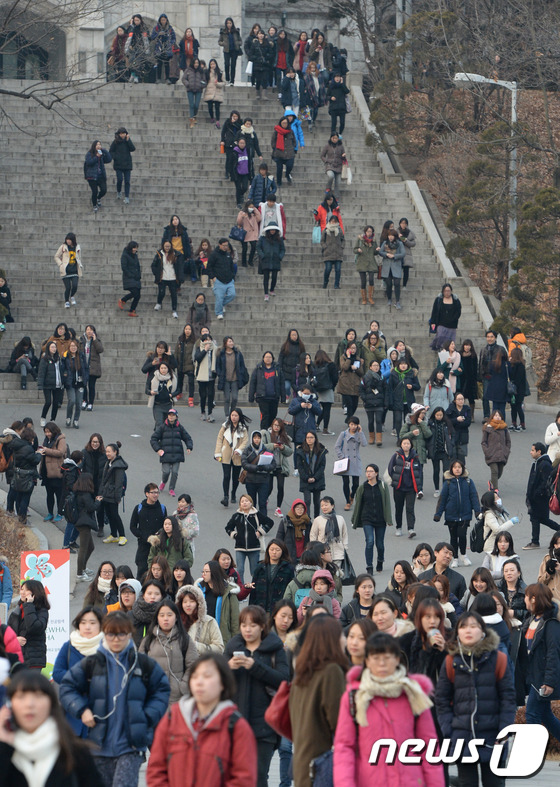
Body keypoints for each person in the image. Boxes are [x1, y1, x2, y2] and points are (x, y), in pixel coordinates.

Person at [59, 611, 169, 785]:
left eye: (121, 634)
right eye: (111, 633)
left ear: (129, 634)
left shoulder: (142, 663)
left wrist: (147, 716)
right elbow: (66, 687)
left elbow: (162, 689)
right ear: (104, 633)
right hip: (98, 745)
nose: (116, 639)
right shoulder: (92, 663)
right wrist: (82, 710)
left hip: (131, 746)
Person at [334, 631, 444, 787]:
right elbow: (344, 747)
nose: (382, 664)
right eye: (376, 658)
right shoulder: (354, 697)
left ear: (397, 659)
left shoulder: (413, 693)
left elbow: (428, 746)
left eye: (387, 658)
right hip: (370, 780)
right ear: (367, 661)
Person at [148, 653, 258, 785]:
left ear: (223, 682)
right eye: (194, 676)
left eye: (207, 676)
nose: (199, 682)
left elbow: (244, 779)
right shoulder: (172, 719)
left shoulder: (236, 727)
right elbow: (156, 770)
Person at [435, 611, 516, 787]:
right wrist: (449, 729)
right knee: (467, 783)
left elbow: (508, 699)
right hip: (462, 736)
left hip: (493, 736)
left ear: (483, 631)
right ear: (458, 632)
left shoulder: (498, 659)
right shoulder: (451, 660)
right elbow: (441, 699)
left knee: (494, 783)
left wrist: (503, 732)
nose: (468, 630)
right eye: (463, 627)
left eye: (473, 626)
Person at [0, 670, 102, 786]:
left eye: (38, 696)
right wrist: (3, 746)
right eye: (21, 696)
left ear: (51, 703)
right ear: (9, 704)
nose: (29, 704)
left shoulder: (75, 753)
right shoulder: (6, 751)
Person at [289, 615, 347, 787]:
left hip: (302, 763)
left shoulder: (302, 671)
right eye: (340, 635)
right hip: (322, 765)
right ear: (331, 639)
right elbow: (339, 722)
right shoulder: (331, 671)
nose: (344, 639)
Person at [518, 583, 560, 746]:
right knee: (545, 716)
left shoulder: (551, 623)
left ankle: (530, 752)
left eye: (526, 597)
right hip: (533, 676)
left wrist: (549, 681)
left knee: (532, 714)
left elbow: (553, 653)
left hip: (542, 679)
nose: (525, 601)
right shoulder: (531, 620)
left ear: (534, 599)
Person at [53, 606, 104, 735]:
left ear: (100, 625)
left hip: (100, 712)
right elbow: (57, 673)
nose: (87, 627)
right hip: (72, 709)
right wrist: (79, 679)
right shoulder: (69, 646)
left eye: (92, 623)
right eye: (83, 622)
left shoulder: (107, 648)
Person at [139, 599, 197, 706]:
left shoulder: (185, 639)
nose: (166, 619)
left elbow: (193, 666)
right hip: (153, 695)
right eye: (162, 615)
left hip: (178, 698)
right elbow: (140, 666)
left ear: (176, 618)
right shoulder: (148, 640)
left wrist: (183, 686)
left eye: (169, 615)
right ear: (157, 618)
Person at [433, 458, 481, 566]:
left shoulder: (468, 482)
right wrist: (438, 514)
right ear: (451, 469)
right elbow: (443, 499)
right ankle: (454, 558)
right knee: (453, 537)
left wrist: (477, 511)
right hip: (451, 515)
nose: (457, 469)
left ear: (463, 469)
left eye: (459, 467)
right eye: (455, 467)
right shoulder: (448, 483)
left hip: (465, 515)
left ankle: (463, 555)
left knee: (462, 535)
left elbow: (474, 496)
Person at [351, 463, 392, 574]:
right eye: (367, 471)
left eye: (371, 471)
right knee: (369, 541)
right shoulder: (362, 488)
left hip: (380, 519)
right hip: (367, 518)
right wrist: (354, 519)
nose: (368, 473)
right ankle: (369, 566)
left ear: (376, 473)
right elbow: (358, 504)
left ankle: (380, 560)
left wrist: (389, 519)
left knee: (380, 544)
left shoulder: (382, 486)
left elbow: (387, 503)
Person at [225, 492, 274, 582]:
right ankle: (241, 590)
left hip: (254, 548)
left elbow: (270, 522)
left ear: (251, 503)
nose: (244, 503)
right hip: (240, 548)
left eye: (246, 501)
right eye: (242, 501)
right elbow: (228, 528)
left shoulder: (257, 514)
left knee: (254, 571)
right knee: (240, 570)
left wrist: (260, 532)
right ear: (240, 504)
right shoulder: (236, 516)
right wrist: (235, 535)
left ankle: (254, 590)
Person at [7, 580, 49, 670]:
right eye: (21, 589)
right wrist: (14, 640)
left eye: (26, 590)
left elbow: (34, 627)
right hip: (17, 659)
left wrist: (29, 605)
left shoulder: (42, 610)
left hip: (33, 660)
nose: (22, 592)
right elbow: (7, 631)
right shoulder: (17, 610)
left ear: (34, 592)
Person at [524, 441, 559, 550]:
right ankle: (536, 540)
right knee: (541, 519)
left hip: (540, 498)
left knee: (536, 518)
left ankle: (535, 541)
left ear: (539, 452)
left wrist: (537, 493)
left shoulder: (544, 464)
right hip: (535, 497)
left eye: (532, 450)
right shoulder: (537, 462)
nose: (530, 452)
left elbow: (545, 482)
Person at [150, 409, 193, 496]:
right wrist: (158, 449)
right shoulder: (162, 427)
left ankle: (171, 488)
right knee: (166, 472)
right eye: (169, 415)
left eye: (173, 415)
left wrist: (189, 447)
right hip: (165, 454)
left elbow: (187, 438)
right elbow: (153, 439)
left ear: (176, 417)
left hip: (177, 454)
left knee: (175, 472)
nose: (171, 416)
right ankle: (163, 482)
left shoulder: (180, 427)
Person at [196, 561, 240, 644]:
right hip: (203, 637)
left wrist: (236, 642)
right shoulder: (200, 590)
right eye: (203, 571)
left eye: (206, 571)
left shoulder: (229, 593)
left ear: (214, 572)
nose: (203, 574)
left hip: (221, 637)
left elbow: (235, 620)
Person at [388, 436, 423, 538]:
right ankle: (398, 527)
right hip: (399, 487)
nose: (406, 445)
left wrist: (419, 488)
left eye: (408, 443)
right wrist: (395, 479)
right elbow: (390, 469)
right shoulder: (397, 456)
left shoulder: (415, 457)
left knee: (410, 508)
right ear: (401, 445)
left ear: (411, 445)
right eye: (404, 443)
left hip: (411, 489)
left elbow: (419, 473)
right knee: (398, 508)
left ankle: (411, 529)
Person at [215, 407, 250, 506]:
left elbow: (245, 441)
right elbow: (219, 439)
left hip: (237, 456)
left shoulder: (243, 428)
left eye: (236, 415)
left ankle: (233, 493)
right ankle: (225, 496)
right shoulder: (225, 426)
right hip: (226, 454)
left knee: (235, 477)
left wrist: (239, 450)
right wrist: (218, 453)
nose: (234, 417)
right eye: (232, 415)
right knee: (226, 476)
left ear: (239, 417)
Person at [248, 540, 295, 612]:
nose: (274, 552)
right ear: (268, 551)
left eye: (277, 550)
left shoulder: (288, 569)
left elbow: (291, 590)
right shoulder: (260, 568)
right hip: (261, 609)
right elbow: (253, 591)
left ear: (283, 551)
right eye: (271, 549)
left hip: (280, 609)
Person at [176, 585, 224, 654]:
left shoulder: (209, 621)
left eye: (191, 601)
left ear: (199, 603)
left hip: (204, 663)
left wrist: (197, 646)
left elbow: (219, 648)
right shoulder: (177, 622)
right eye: (185, 602)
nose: (188, 605)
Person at [97, 441, 128, 546]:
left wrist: (117, 497)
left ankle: (122, 536)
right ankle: (113, 534)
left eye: (109, 452)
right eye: (106, 451)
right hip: (106, 494)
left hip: (113, 495)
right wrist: (101, 493)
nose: (107, 453)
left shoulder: (118, 466)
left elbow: (119, 483)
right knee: (110, 515)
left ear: (115, 452)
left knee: (115, 515)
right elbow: (103, 480)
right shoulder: (109, 462)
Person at [335, 416, 367, 510]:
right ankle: (348, 502)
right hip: (345, 460)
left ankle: (352, 496)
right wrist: (342, 457)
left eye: (355, 424)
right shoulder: (343, 434)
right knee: (346, 482)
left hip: (355, 460)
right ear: (349, 424)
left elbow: (364, 444)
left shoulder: (359, 434)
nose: (353, 426)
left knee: (356, 483)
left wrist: (361, 432)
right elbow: (337, 446)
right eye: (351, 424)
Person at [37, 421, 66, 520]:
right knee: (49, 494)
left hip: (57, 472)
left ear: (54, 431)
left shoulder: (60, 439)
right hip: (46, 471)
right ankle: (50, 513)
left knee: (59, 495)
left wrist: (46, 450)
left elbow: (61, 452)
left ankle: (60, 513)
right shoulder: (46, 440)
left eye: (49, 432)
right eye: (46, 432)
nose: (47, 434)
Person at [309, 495, 349, 566]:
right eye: (322, 506)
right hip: (323, 553)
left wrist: (345, 547)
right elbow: (313, 535)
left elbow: (344, 534)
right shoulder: (318, 520)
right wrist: (315, 549)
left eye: (326, 505)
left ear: (332, 506)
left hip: (338, 552)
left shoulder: (340, 519)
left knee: (336, 574)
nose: (324, 507)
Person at [295, 431, 327, 518]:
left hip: (317, 479)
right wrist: (306, 478)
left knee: (317, 502)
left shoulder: (321, 450)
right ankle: (308, 520)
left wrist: (315, 478)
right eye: (307, 438)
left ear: (315, 439)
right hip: (306, 480)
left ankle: (316, 519)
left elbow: (322, 466)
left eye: (311, 437)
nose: (309, 439)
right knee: (307, 501)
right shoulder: (301, 451)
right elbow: (300, 467)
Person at [249, 352, 284, 428]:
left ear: (272, 359)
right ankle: (263, 433)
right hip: (262, 397)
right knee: (265, 415)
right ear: (263, 358)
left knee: (273, 416)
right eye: (266, 357)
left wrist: (283, 397)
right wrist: (251, 396)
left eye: (270, 357)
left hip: (274, 397)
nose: (268, 359)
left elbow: (281, 383)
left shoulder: (277, 369)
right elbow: (253, 383)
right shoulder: (258, 369)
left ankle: (271, 433)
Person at [479, 330, 508, 419]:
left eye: (491, 337)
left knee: (497, 399)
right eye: (488, 337)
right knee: (485, 397)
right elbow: (480, 363)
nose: (490, 339)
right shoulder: (483, 349)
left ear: (495, 338)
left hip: (497, 377)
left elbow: (505, 362)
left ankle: (498, 416)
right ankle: (487, 416)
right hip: (486, 376)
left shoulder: (500, 349)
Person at [481, 409, 511, 491]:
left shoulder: (504, 428)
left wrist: (507, 451)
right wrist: (487, 451)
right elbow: (483, 442)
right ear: (492, 417)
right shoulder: (488, 428)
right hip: (491, 453)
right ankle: (495, 490)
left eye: (499, 416)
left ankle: (491, 483)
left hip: (502, 454)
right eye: (496, 415)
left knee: (499, 473)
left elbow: (508, 441)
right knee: (494, 471)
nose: (497, 417)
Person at [207, 237, 236, 320]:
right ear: (219, 245)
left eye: (227, 245)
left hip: (229, 280)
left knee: (232, 294)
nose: (225, 247)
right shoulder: (214, 254)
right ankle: (219, 313)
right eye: (224, 245)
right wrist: (213, 277)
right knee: (219, 297)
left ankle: (221, 304)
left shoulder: (228, 255)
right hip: (219, 280)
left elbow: (231, 266)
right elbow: (209, 267)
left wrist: (232, 277)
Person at [61, 339, 88, 429]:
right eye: (71, 346)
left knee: (79, 403)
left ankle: (76, 420)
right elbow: (63, 369)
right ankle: (68, 417)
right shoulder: (66, 357)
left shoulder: (81, 356)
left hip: (80, 383)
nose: (73, 348)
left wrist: (85, 378)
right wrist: (65, 377)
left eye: (75, 346)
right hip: (70, 383)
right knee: (72, 400)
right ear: (69, 347)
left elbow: (85, 368)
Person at [37, 343, 65, 426]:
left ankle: (53, 419)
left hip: (58, 384)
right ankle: (43, 417)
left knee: (56, 403)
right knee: (48, 402)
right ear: (48, 348)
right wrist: (40, 384)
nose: (54, 349)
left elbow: (61, 370)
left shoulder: (58, 358)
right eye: (52, 347)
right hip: (47, 384)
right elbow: (41, 373)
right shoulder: (45, 359)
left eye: (55, 347)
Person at [152, 240, 180, 319]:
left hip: (172, 277)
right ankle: (159, 303)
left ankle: (174, 310)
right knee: (162, 292)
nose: (167, 248)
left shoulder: (175, 254)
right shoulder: (159, 254)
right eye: (166, 246)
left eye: (168, 246)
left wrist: (178, 275)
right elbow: (153, 265)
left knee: (174, 294)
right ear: (163, 247)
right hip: (163, 277)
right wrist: (157, 274)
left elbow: (179, 266)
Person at [277, 499, 311, 564]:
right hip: (289, 555)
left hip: (304, 556)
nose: (300, 510)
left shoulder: (308, 522)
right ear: (293, 509)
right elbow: (279, 538)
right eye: (297, 508)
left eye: (302, 508)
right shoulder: (286, 522)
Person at [429, 282, 462, 351]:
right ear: (443, 291)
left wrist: (454, 318)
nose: (447, 292)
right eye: (445, 291)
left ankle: (448, 349)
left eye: (448, 291)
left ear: (451, 291)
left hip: (452, 323)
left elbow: (458, 311)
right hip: (441, 322)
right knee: (440, 335)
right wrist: (433, 322)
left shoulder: (456, 300)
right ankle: (439, 347)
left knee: (450, 339)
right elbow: (434, 311)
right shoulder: (438, 300)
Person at [379, 227, 406, 309]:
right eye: (389, 235)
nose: (390, 237)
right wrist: (386, 254)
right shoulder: (385, 243)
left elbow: (403, 253)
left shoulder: (399, 243)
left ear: (395, 236)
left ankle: (397, 301)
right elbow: (380, 252)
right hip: (387, 266)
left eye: (392, 235)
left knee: (397, 283)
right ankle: (389, 299)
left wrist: (394, 256)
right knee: (389, 284)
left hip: (396, 265)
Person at [54, 232, 83, 308]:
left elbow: (79, 257)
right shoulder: (63, 247)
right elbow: (56, 256)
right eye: (67, 239)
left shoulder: (77, 247)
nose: (68, 241)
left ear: (73, 240)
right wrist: (61, 264)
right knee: (68, 287)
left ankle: (72, 296)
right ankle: (66, 301)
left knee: (75, 285)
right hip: (66, 271)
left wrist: (80, 264)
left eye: (69, 240)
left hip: (74, 271)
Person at [257, 226, 285, 301]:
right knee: (266, 277)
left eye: (274, 230)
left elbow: (283, 249)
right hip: (266, 260)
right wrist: (262, 255)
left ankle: (271, 289)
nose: (272, 231)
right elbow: (258, 247)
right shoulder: (263, 238)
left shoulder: (279, 239)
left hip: (275, 260)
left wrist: (280, 257)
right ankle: (266, 293)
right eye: (271, 230)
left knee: (274, 277)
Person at [109, 127, 135, 204]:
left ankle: (127, 196)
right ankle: (119, 191)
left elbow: (132, 149)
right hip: (118, 165)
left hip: (127, 165)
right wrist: (116, 157)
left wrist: (128, 140)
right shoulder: (115, 142)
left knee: (127, 181)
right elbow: (111, 151)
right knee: (120, 179)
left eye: (123, 133)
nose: (122, 135)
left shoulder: (127, 141)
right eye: (121, 134)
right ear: (119, 134)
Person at [498, 558, 528, 624]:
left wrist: (515, 613)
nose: (509, 573)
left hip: (520, 624)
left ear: (519, 573)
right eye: (506, 571)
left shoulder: (526, 591)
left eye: (512, 570)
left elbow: (531, 613)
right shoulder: (497, 589)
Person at [353, 225, 378, 306]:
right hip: (362, 262)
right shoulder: (360, 239)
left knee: (371, 279)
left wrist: (377, 250)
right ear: (365, 232)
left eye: (370, 231)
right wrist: (358, 250)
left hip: (371, 262)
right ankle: (364, 298)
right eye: (368, 231)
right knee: (363, 281)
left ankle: (370, 297)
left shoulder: (374, 241)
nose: (369, 233)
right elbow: (354, 249)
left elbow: (375, 252)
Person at [321, 214, 345, 289]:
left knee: (338, 270)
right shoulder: (325, 230)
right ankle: (325, 282)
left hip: (338, 253)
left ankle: (336, 285)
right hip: (328, 253)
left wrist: (342, 246)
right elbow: (322, 241)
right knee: (328, 269)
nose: (333, 223)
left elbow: (343, 240)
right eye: (332, 221)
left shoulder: (339, 230)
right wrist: (325, 247)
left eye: (335, 221)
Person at [271, 115, 296, 187]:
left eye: (286, 123)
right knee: (279, 168)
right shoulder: (276, 131)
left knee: (290, 165)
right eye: (283, 123)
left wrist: (292, 147)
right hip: (279, 153)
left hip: (289, 153)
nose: (284, 125)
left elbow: (294, 141)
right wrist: (275, 149)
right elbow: (273, 141)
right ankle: (279, 182)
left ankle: (287, 174)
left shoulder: (291, 131)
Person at [320, 132, 346, 200]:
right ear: (331, 138)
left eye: (336, 138)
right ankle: (328, 188)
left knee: (338, 183)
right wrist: (326, 161)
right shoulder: (327, 146)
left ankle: (336, 198)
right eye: (333, 138)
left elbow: (343, 156)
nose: (335, 139)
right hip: (330, 165)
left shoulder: (341, 146)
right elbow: (322, 156)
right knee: (331, 176)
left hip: (339, 166)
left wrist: (343, 157)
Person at [118, 240, 142, 316]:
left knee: (137, 295)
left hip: (136, 278)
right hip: (129, 278)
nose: (135, 249)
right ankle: (123, 300)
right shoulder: (125, 255)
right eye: (134, 248)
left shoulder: (135, 255)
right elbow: (124, 267)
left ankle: (132, 310)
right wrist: (131, 275)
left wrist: (138, 275)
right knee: (135, 292)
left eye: (136, 248)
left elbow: (137, 266)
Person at [174, 323, 196, 405]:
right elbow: (176, 351)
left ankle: (191, 398)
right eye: (186, 329)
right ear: (184, 330)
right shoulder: (180, 339)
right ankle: (179, 393)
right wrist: (175, 362)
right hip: (181, 363)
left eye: (189, 329)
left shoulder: (194, 340)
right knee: (180, 380)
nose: (187, 331)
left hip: (190, 364)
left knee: (191, 382)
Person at [446, 391, 471, 461]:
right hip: (453, 434)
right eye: (459, 399)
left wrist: (457, 423)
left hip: (463, 435)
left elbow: (468, 422)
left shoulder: (467, 409)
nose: (461, 401)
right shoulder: (451, 409)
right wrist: (456, 420)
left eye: (462, 399)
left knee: (461, 458)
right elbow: (447, 421)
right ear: (455, 400)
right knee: (452, 457)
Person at [125, 14, 151, 83]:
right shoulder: (131, 27)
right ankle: (133, 74)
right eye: (135, 20)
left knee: (138, 63)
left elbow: (148, 37)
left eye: (137, 20)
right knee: (131, 61)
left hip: (141, 48)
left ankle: (136, 76)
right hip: (132, 48)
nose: (136, 22)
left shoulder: (144, 28)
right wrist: (131, 25)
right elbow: (127, 34)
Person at [182, 56, 205, 128]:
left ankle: (194, 115)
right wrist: (187, 84)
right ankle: (192, 119)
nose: (196, 64)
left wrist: (201, 85)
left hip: (198, 90)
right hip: (190, 89)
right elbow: (183, 79)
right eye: (195, 63)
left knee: (196, 105)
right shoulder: (188, 70)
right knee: (191, 105)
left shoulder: (201, 71)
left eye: (197, 63)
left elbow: (204, 81)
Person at [537, 532, 560, 602]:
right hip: (551, 600)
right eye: (557, 543)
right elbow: (540, 582)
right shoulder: (548, 558)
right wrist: (549, 572)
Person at [219, 17, 242, 84]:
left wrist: (238, 43)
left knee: (233, 65)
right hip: (226, 50)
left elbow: (240, 41)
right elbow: (219, 41)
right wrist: (224, 43)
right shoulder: (223, 32)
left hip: (234, 50)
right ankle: (227, 78)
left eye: (230, 23)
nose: (229, 25)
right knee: (226, 64)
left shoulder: (236, 31)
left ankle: (232, 80)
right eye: (227, 23)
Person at [509, 347, 527, 430]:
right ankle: (514, 422)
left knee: (518, 406)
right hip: (518, 389)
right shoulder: (520, 365)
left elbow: (517, 378)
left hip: (518, 390)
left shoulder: (519, 366)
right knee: (513, 407)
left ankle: (522, 423)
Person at [202, 58, 225, 128]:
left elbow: (224, 82)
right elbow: (204, 81)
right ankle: (212, 117)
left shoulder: (220, 72)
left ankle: (217, 120)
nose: (212, 65)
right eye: (211, 64)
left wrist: (218, 83)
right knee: (210, 106)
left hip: (217, 91)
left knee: (217, 107)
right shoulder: (207, 72)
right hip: (209, 90)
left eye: (213, 64)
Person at [460, 339, 479, 417]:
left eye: (468, 345)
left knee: (471, 398)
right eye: (465, 345)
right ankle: (461, 414)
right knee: (461, 397)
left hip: (471, 379)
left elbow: (475, 368)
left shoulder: (473, 355)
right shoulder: (459, 354)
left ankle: (471, 415)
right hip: (462, 378)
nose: (467, 347)